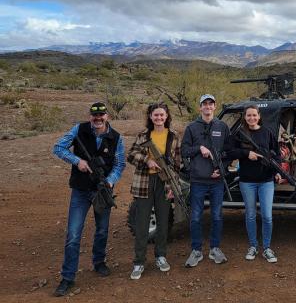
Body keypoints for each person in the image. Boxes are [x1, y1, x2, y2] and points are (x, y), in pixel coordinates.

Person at [52, 102, 125, 297]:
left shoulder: (116, 137)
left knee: (102, 230)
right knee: (73, 234)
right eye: (94, 115)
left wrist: (109, 182)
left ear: (107, 116)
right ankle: (68, 277)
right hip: (81, 190)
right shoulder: (79, 129)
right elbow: (58, 148)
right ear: (90, 116)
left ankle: (99, 262)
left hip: (102, 191)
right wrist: (78, 162)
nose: (98, 118)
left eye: (101, 115)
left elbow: (120, 165)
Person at [127, 102, 180, 280]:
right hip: (144, 181)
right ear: (150, 117)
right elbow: (131, 154)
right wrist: (146, 160)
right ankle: (139, 262)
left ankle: (161, 256)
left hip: (164, 182)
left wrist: (173, 185)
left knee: (163, 222)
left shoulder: (173, 136)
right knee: (142, 223)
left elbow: (177, 163)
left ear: (166, 116)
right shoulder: (143, 135)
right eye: (155, 115)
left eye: (162, 115)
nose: (159, 118)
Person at [227, 105, 280, 263]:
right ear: (245, 117)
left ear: (259, 116)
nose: (251, 118)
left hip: (266, 181)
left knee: (267, 216)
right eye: (248, 115)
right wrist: (246, 153)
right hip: (247, 181)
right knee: (250, 215)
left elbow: (276, 154)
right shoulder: (239, 134)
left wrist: (277, 170)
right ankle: (253, 246)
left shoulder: (267, 133)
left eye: (254, 115)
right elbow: (230, 152)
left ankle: (267, 248)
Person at [181, 94, 230, 267]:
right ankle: (196, 250)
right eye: (204, 104)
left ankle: (215, 248)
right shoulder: (192, 128)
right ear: (200, 107)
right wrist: (199, 148)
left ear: (215, 107)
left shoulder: (222, 127)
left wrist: (221, 168)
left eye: (211, 104)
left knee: (217, 216)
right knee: (195, 216)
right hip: (198, 180)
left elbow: (229, 151)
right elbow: (184, 150)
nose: (208, 107)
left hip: (217, 181)